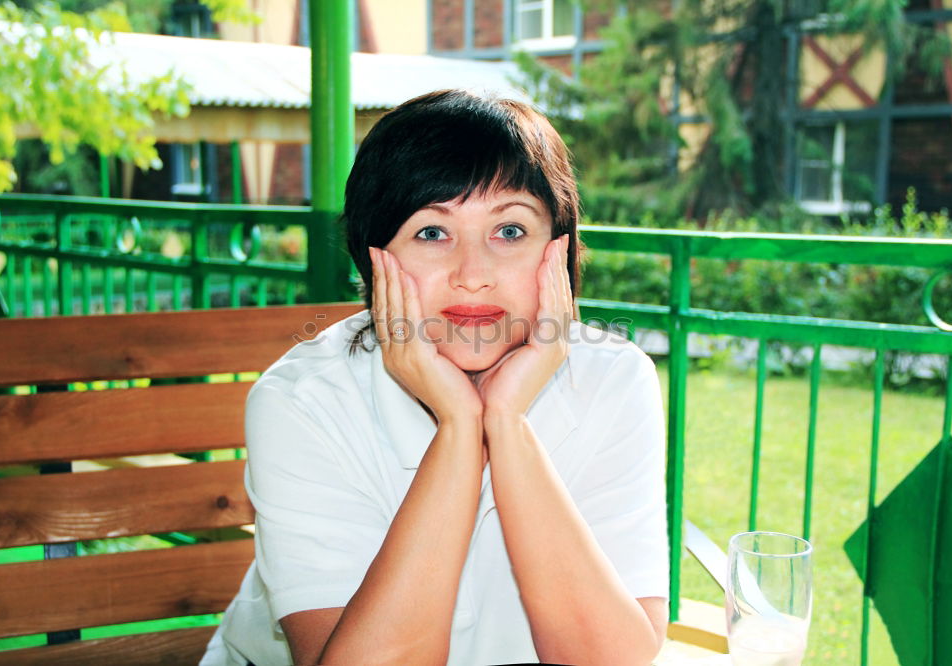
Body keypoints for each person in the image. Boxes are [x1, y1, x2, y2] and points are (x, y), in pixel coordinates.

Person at [201, 89, 669, 666]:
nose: (474, 276)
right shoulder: (302, 401)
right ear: (371, 255)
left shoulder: (615, 382)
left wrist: (506, 422)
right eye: (431, 232)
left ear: (559, 251)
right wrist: (458, 426)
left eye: (511, 231)